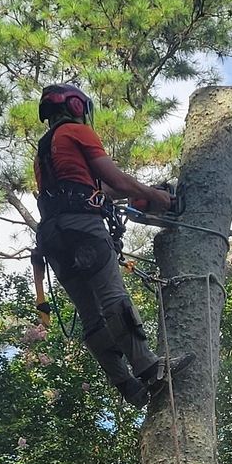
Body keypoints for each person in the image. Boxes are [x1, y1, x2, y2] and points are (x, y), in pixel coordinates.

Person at [33, 83, 194, 408]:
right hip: (84, 230)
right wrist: (157, 196)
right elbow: (116, 180)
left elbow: (90, 191)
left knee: (91, 315)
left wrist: (140, 194)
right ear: (77, 107)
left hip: (52, 238)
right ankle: (152, 371)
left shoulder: (43, 152)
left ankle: (129, 387)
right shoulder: (77, 133)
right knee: (113, 299)